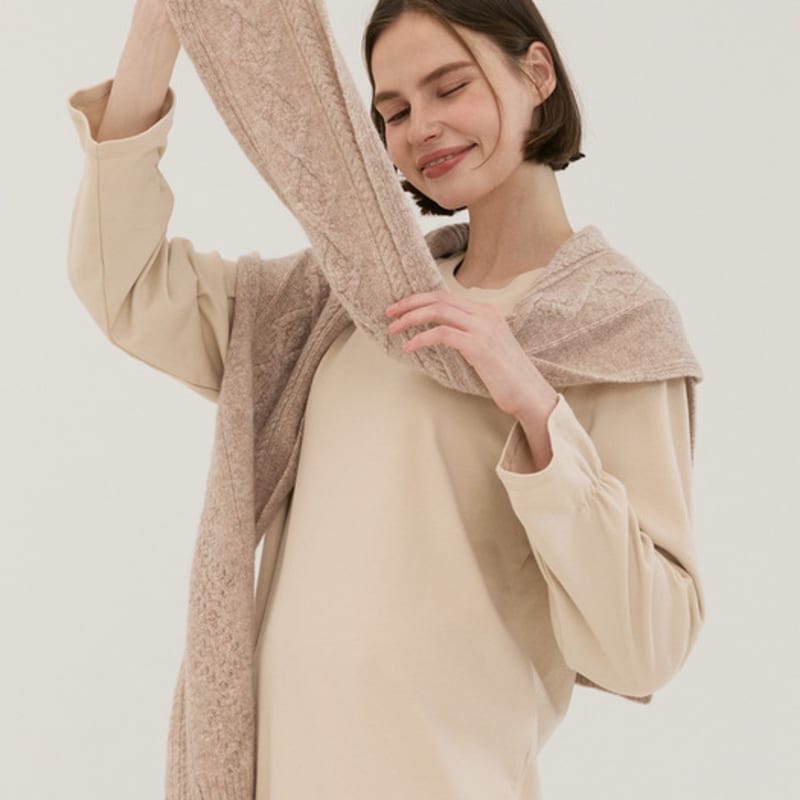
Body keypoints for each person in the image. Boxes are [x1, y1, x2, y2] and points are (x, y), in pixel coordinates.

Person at [66, 0, 704, 797]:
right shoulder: (342, 303)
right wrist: (159, 28)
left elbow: (648, 648)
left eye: (450, 87)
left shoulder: (613, 327)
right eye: (393, 112)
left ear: (537, 73)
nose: (421, 127)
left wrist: (535, 408)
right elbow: (124, 283)